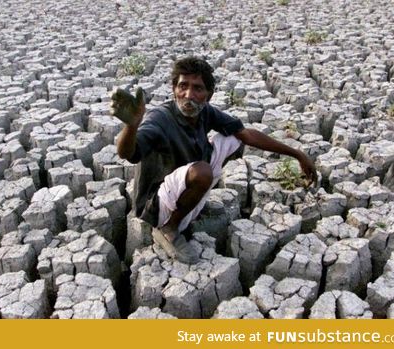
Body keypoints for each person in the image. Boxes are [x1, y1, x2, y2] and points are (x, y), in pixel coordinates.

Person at [110, 56, 317, 264]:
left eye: (197, 89)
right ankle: (169, 229)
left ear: (208, 95)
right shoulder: (160, 118)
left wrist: (297, 154)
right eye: (183, 86)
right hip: (155, 205)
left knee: (233, 137)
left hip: (183, 182)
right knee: (203, 172)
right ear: (174, 89)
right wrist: (132, 126)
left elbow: (245, 134)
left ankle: (192, 202)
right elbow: (128, 153)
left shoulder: (205, 112)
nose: (188, 95)